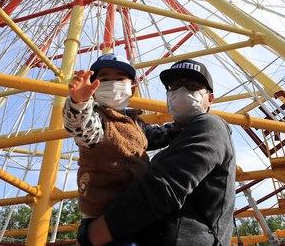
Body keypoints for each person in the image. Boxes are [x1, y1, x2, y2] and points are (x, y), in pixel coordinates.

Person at [78, 59, 236, 246]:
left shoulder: (210, 125)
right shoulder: (177, 135)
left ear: (210, 99)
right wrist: (79, 104)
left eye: (192, 86)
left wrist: (94, 234)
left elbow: (163, 189)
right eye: (175, 86)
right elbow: (81, 125)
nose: (182, 91)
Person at [63, 53, 178, 222]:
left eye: (120, 78)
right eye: (104, 78)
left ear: (132, 88)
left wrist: (182, 126)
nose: (113, 83)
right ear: (94, 88)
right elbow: (81, 127)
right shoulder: (97, 119)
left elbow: (159, 136)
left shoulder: (135, 123)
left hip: (137, 206)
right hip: (104, 214)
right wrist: (78, 103)